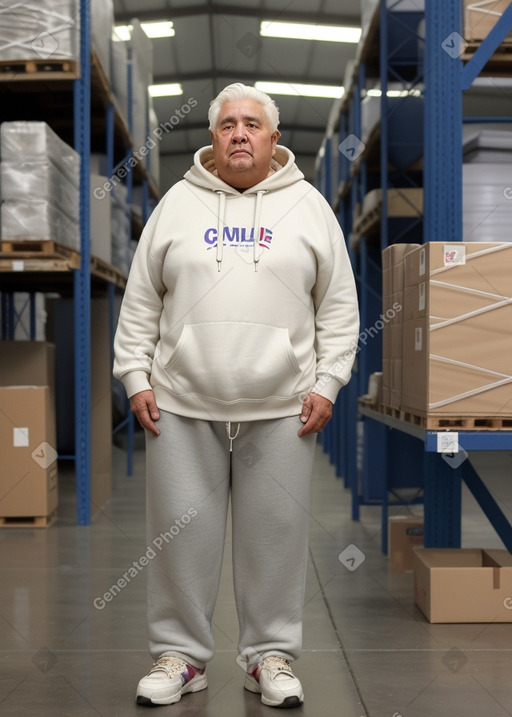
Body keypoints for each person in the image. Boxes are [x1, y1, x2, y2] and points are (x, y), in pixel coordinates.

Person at [113, 82, 359, 709]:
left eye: (253, 123)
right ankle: (181, 658)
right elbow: (141, 300)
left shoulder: (309, 208)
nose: (240, 133)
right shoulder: (175, 206)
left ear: (275, 140)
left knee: (274, 535)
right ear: (213, 139)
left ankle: (269, 657)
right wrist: (136, 377)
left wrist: (328, 382)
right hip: (182, 402)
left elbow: (338, 309)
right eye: (228, 124)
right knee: (178, 534)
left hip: (282, 408)